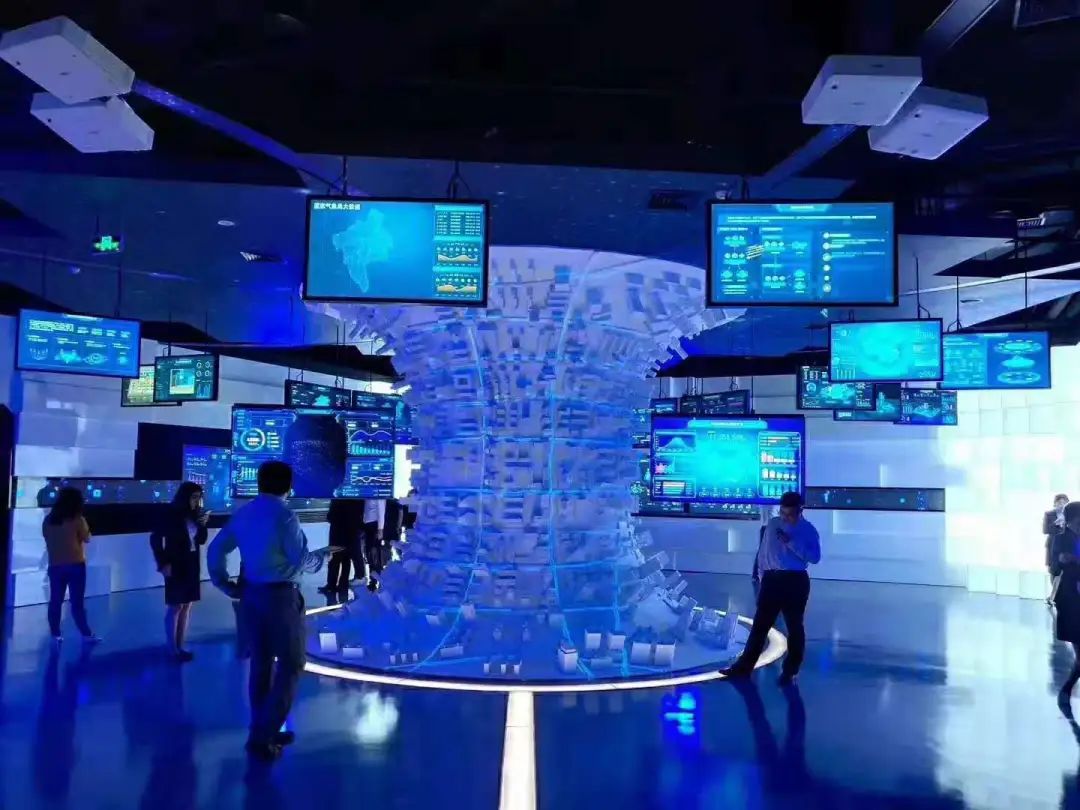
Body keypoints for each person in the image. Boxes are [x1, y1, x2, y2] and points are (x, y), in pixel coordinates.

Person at [207, 461, 333, 761]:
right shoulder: (285, 515)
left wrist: (224, 584)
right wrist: (321, 558)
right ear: (289, 485)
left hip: (251, 596)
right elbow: (300, 559)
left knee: (261, 665)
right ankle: (264, 736)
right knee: (292, 664)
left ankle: (261, 729)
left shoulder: (245, 513)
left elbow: (216, 550)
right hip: (281, 598)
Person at [722, 491, 820, 685]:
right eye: (783, 513)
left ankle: (790, 671)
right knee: (760, 625)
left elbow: (815, 557)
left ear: (799, 511)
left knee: (794, 627)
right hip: (771, 579)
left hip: (795, 580)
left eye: (790, 514)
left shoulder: (808, 530)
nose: (785, 517)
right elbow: (764, 552)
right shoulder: (774, 524)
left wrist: (791, 543)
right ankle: (743, 668)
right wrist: (761, 577)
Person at [150, 482, 210, 662]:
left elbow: (201, 540)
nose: (197, 501)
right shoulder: (170, 513)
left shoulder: (195, 515)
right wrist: (163, 563)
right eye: (194, 497)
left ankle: (180, 645)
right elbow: (155, 538)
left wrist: (203, 525)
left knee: (187, 605)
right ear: (185, 497)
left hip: (191, 563)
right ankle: (171, 647)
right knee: (175, 605)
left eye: (199, 497)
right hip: (175, 563)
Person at [42, 487, 99, 644]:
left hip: (55, 566)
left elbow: (46, 537)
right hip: (76, 565)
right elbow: (87, 538)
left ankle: (55, 634)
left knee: (55, 601)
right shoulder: (77, 519)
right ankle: (86, 634)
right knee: (77, 603)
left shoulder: (48, 520)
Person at [1055, 501, 1080, 699]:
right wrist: (1067, 560)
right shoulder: (1062, 538)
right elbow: (1057, 564)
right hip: (1071, 598)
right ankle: (1066, 690)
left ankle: (1066, 690)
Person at [319, 498, 365, 595]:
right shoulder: (357, 498)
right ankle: (342, 585)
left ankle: (331, 585)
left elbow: (332, 514)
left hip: (338, 528)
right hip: (351, 529)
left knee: (335, 558)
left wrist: (330, 517)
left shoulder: (338, 497)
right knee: (345, 558)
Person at [1047, 494, 1070, 605]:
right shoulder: (1049, 514)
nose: (1062, 505)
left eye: (1064, 502)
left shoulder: (1070, 515)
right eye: (1059, 502)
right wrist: (1057, 523)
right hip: (1053, 547)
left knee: (1062, 572)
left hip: (1066, 547)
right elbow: (1046, 530)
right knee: (1053, 572)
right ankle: (1054, 595)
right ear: (1055, 503)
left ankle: (1054, 596)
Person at [362, 497, 387, 591]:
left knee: (374, 556)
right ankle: (373, 580)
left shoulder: (378, 494)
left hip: (374, 527)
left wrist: (380, 529)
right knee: (370, 555)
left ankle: (376, 581)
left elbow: (381, 511)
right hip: (368, 526)